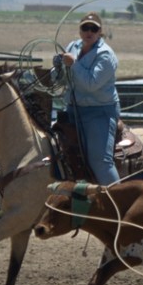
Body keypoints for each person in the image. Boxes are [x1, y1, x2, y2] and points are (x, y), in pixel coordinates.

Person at [57, 12, 121, 185]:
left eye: (94, 28)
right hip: (73, 110)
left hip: (99, 113)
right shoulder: (73, 46)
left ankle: (117, 201)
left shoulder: (106, 55)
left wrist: (74, 64)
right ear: (80, 31)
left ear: (100, 32)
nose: (89, 31)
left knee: (100, 161)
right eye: (85, 27)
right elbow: (63, 77)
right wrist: (57, 68)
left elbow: (91, 84)